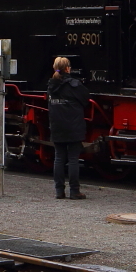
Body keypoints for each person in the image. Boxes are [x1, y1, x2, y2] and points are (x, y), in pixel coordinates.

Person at [47, 56, 90, 199]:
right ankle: (74, 191)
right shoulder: (75, 85)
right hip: (73, 126)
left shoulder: (51, 86)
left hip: (57, 126)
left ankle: (59, 191)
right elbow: (85, 100)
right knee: (73, 159)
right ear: (68, 68)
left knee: (59, 158)